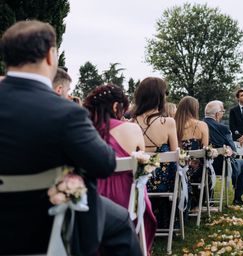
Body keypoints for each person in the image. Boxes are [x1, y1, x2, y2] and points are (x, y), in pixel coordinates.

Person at [0, 20, 141, 255]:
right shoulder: (65, 112)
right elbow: (103, 164)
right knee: (121, 222)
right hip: (47, 222)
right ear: (49, 56)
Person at [84, 83, 157, 255]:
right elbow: (142, 157)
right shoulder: (131, 129)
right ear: (116, 106)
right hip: (125, 199)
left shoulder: (82, 130)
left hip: (90, 198)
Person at [132, 77, 179, 227]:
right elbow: (175, 154)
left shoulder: (131, 123)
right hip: (165, 184)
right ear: (160, 96)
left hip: (139, 182)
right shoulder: (168, 122)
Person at [203, 100, 243, 205]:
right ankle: (238, 198)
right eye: (222, 111)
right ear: (217, 114)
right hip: (221, 167)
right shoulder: (223, 128)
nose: (222, 114)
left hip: (202, 167)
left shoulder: (199, 126)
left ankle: (207, 198)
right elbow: (234, 151)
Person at [175, 96, 209, 208]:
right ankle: (198, 201)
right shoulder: (202, 125)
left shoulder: (173, 125)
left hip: (178, 168)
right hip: (196, 171)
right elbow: (205, 148)